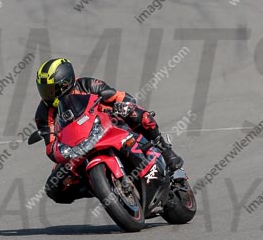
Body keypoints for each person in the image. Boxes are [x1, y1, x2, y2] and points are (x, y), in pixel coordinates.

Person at [34, 57, 184, 204]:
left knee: (139, 115)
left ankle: (164, 149)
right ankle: (96, 186)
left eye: (50, 90)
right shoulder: (43, 112)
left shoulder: (87, 85)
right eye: (44, 90)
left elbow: (118, 96)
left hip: (105, 126)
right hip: (75, 146)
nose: (47, 95)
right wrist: (59, 152)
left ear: (66, 82)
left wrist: (123, 105)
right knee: (53, 188)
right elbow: (50, 146)